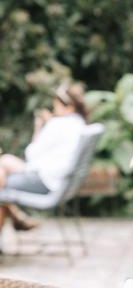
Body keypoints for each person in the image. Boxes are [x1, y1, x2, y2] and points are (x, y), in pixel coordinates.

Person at [0, 83, 88, 232]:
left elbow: (31, 154)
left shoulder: (57, 124)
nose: (54, 110)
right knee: (4, 161)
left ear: (68, 107)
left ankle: (17, 217)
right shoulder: (79, 123)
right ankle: (18, 216)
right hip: (59, 180)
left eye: (56, 106)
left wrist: (40, 127)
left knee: (1, 182)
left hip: (46, 181)